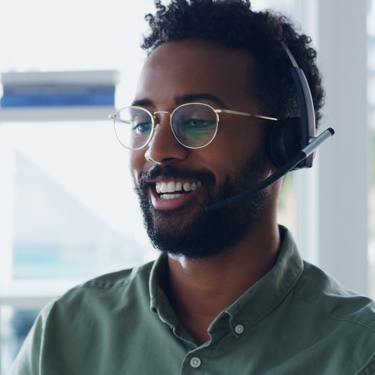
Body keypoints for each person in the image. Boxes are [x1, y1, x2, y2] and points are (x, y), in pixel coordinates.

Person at [9, 1, 375, 374]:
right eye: (142, 123)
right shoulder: (65, 332)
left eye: (198, 120)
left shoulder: (359, 351)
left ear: (284, 144)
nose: (157, 150)